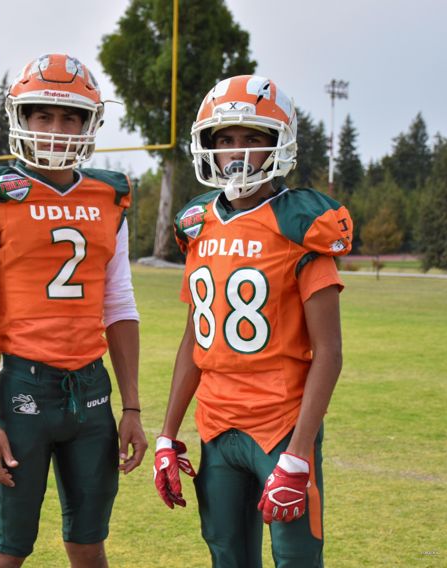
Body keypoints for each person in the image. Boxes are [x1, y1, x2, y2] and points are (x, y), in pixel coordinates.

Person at [0, 53, 147, 568]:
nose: (56, 130)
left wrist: (131, 407)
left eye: (69, 118)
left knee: (88, 544)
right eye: (44, 115)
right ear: (22, 117)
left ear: (89, 124)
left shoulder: (108, 199)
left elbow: (119, 305)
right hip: (23, 388)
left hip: (92, 390)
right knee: (7, 548)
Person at [153, 75, 354, 567]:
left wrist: (299, 453)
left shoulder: (300, 224)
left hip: (281, 426)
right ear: (210, 146)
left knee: (296, 559)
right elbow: (194, 341)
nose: (237, 151)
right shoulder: (198, 224)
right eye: (226, 139)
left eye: (252, 138)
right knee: (227, 555)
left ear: (278, 144)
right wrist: (167, 434)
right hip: (216, 427)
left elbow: (329, 352)